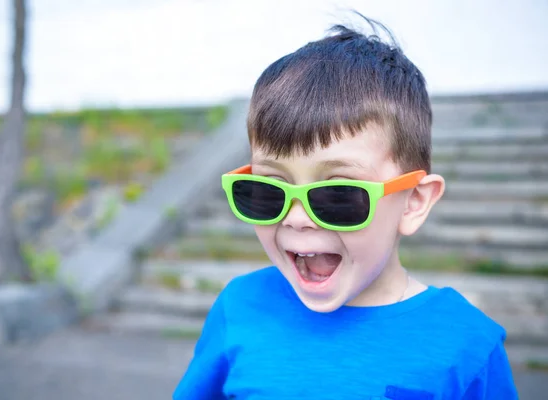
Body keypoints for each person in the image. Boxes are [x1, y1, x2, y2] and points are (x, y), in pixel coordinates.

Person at [173, 14, 518, 400]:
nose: (297, 218)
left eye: (338, 194)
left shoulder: (467, 345)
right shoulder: (238, 308)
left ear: (414, 202)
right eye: (269, 189)